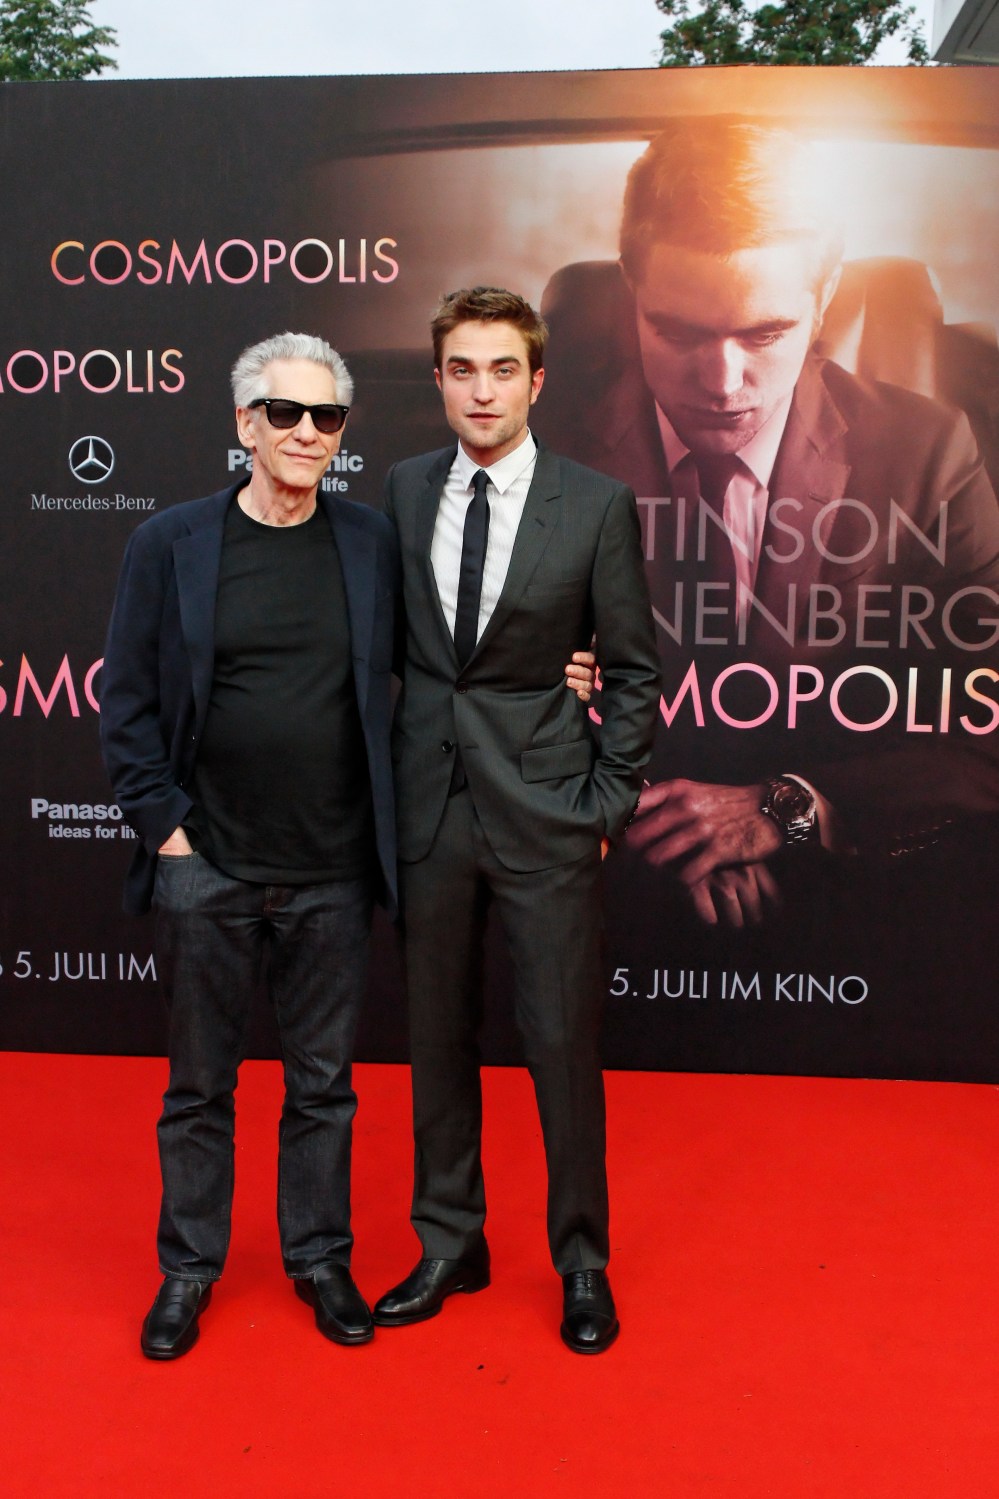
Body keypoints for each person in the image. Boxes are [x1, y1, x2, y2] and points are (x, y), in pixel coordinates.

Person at [100, 330, 595, 1361]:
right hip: (207, 863)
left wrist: (557, 668)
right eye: (285, 413)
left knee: (323, 1084)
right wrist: (169, 834)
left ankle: (320, 1257)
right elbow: (128, 703)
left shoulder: (371, 540)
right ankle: (187, 1267)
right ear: (246, 424)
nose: (307, 432)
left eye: (326, 416)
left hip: (334, 865)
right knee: (198, 1088)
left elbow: (461, 647)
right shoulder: (170, 542)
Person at [536, 117, 999, 930]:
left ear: (823, 300)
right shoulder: (529, 453)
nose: (722, 382)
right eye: (676, 331)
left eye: (765, 332)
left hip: (856, 882)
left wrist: (788, 806)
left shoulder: (927, 452)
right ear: (630, 289)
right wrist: (644, 817)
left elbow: (984, 722)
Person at [373, 287, 661, 1354]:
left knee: (560, 1042)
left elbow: (632, 669)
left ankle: (581, 1258)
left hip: (548, 812)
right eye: (463, 369)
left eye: (502, 369)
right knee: (435, 1038)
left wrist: (606, 802)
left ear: (537, 381)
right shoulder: (403, 490)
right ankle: (450, 1240)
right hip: (430, 809)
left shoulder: (596, 503)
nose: (482, 390)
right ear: (438, 380)